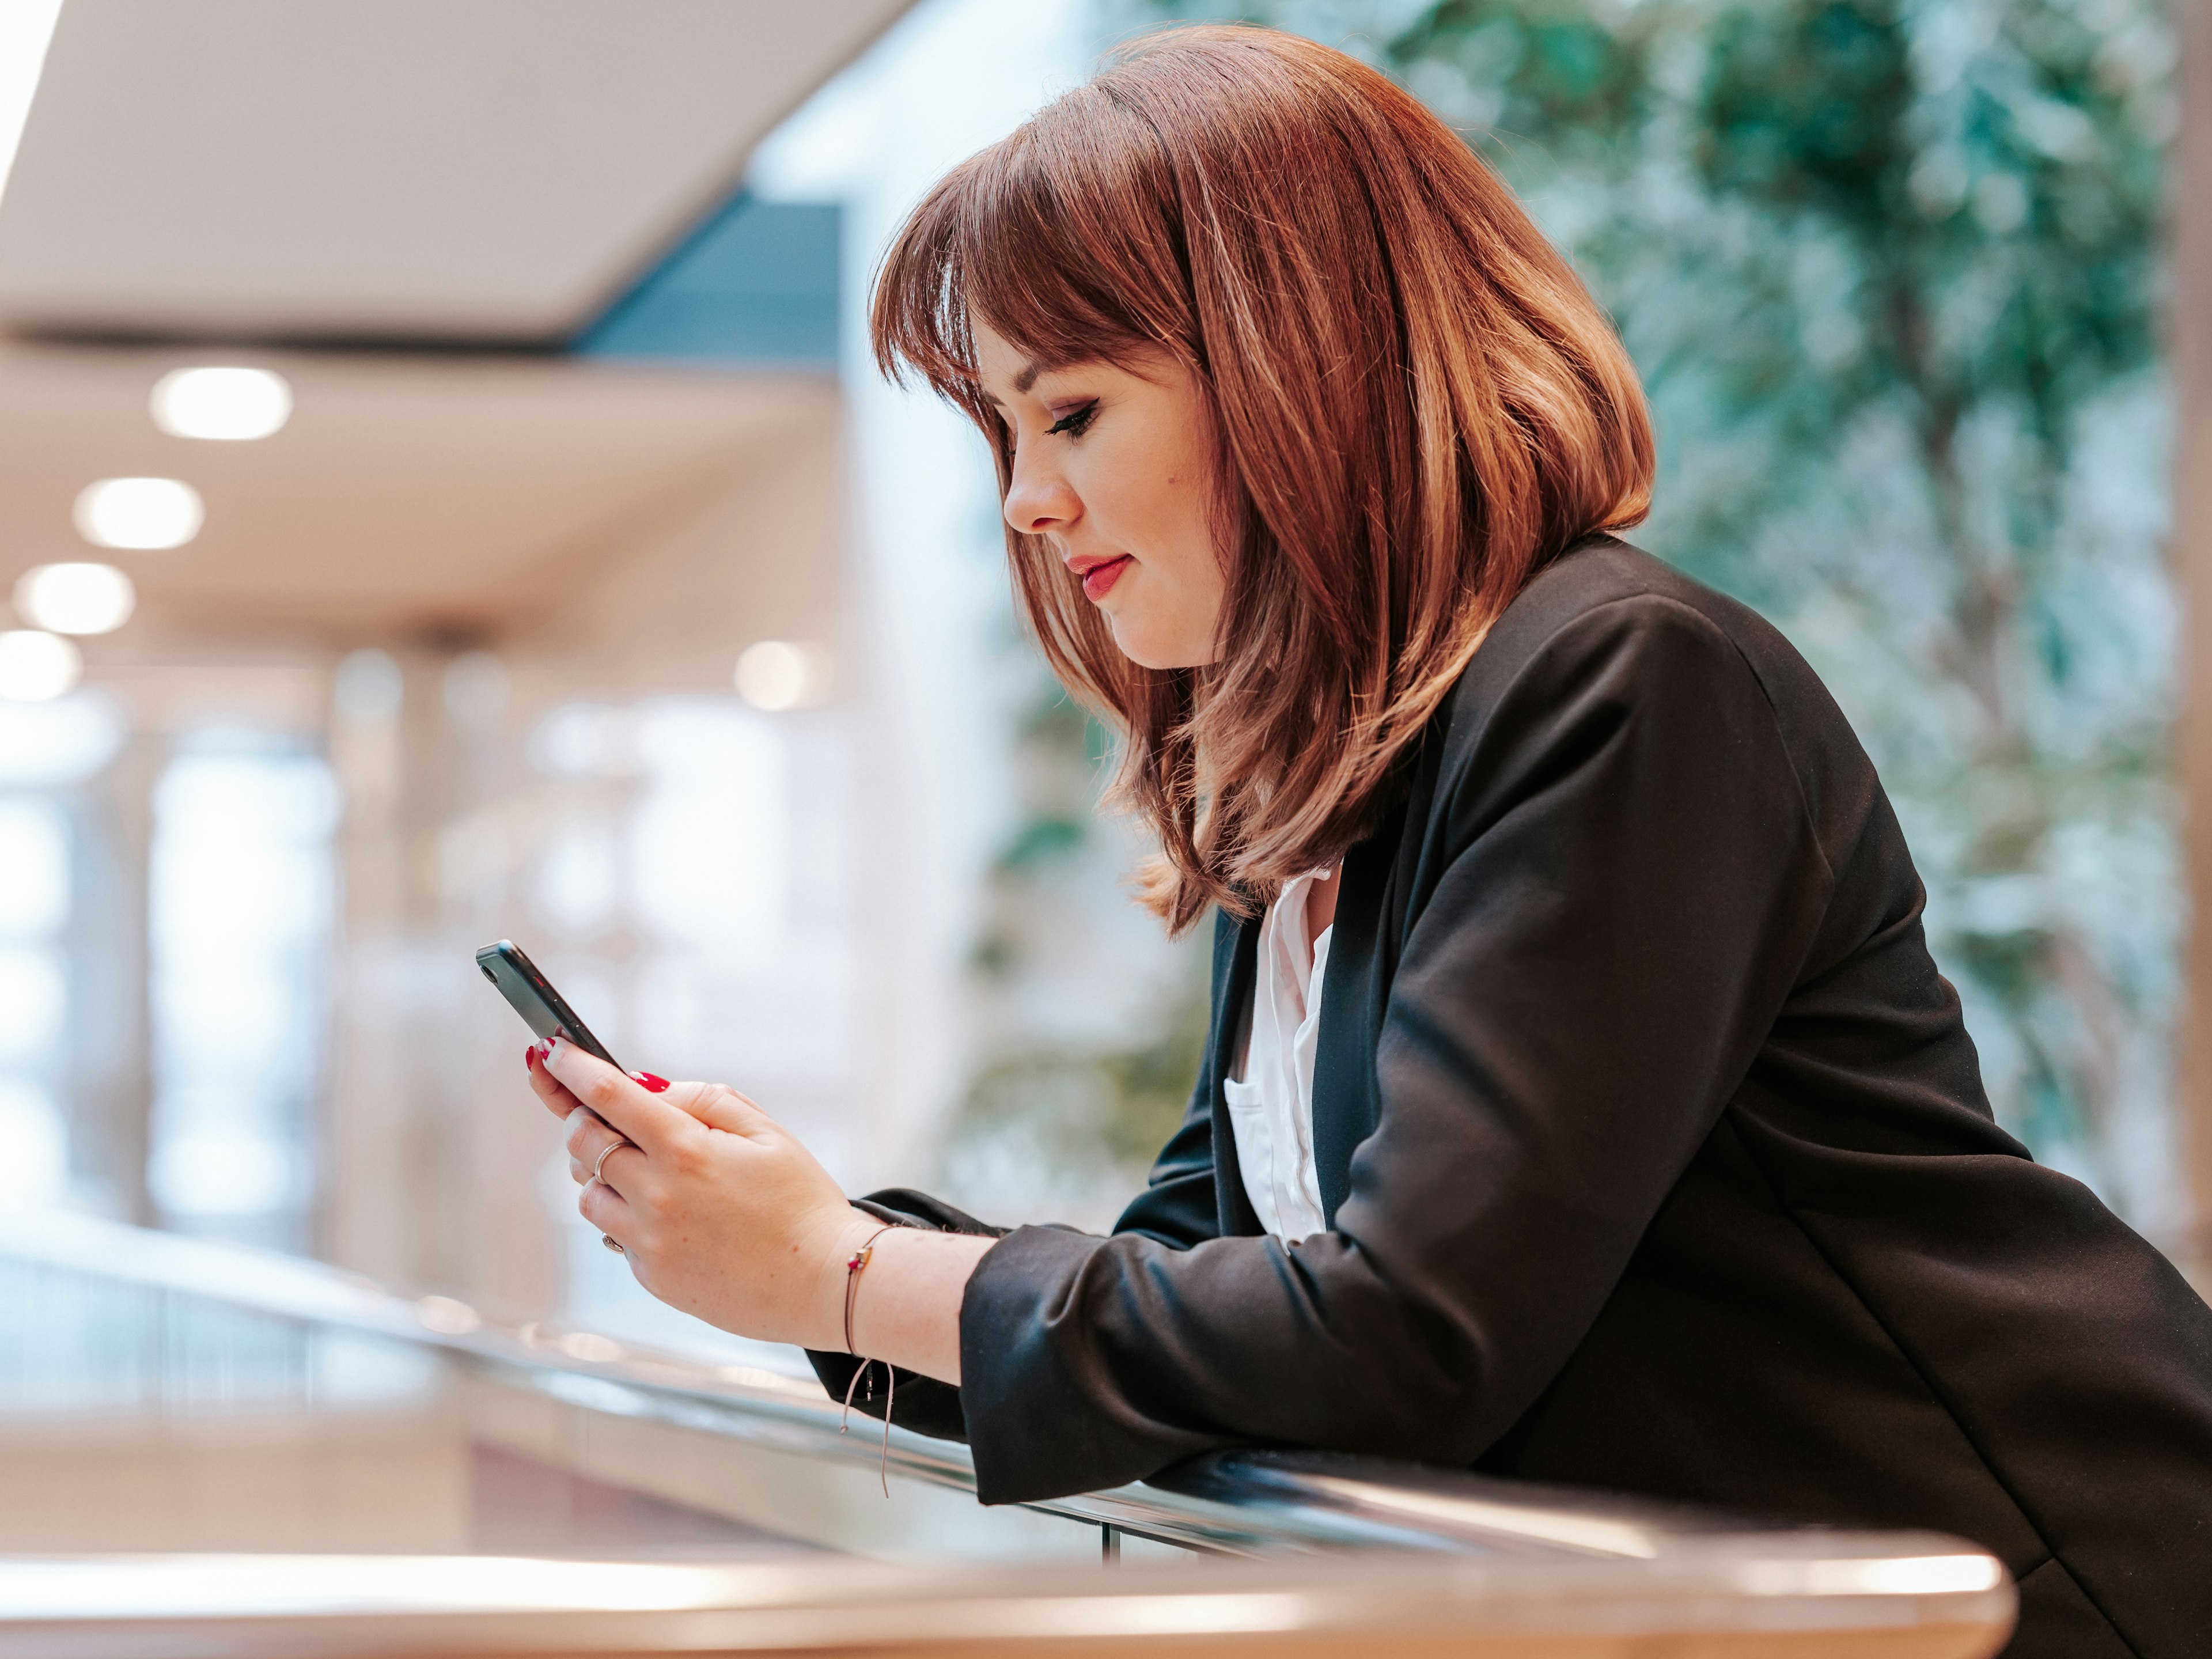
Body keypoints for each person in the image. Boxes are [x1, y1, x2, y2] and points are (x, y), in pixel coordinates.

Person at [524, 24, 2212, 1656]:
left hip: (2041, 1590)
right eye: (1007, 436)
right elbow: (1209, 1283)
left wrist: (843, 1271)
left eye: (1075, 413)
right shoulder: (1342, 769)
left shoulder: (1620, 679)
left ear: (1290, 359)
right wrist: (793, 1235)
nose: (1027, 501)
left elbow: (1409, 1328)